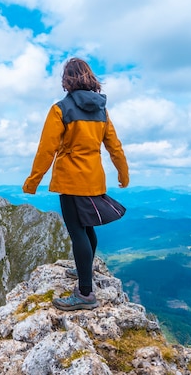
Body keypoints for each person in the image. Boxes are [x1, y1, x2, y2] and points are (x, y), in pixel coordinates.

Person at [22, 57, 129, 311]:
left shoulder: (61, 109)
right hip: (94, 178)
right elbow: (114, 146)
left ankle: (84, 293)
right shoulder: (102, 110)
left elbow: (46, 150)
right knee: (87, 227)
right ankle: (85, 271)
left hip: (71, 180)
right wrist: (123, 174)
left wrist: (32, 181)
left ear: (67, 79)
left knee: (77, 231)